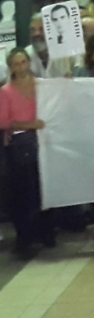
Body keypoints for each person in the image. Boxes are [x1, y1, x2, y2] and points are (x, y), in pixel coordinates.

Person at [0, 49, 55, 258]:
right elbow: (3, 121)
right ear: (11, 67)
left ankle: (46, 233)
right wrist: (30, 124)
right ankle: (25, 237)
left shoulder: (41, 85)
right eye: (16, 63)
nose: (21, 67)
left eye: (23, 62)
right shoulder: (6, 91)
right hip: (20, 145)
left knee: (44, 187)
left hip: (43, 142)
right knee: (23, 193)